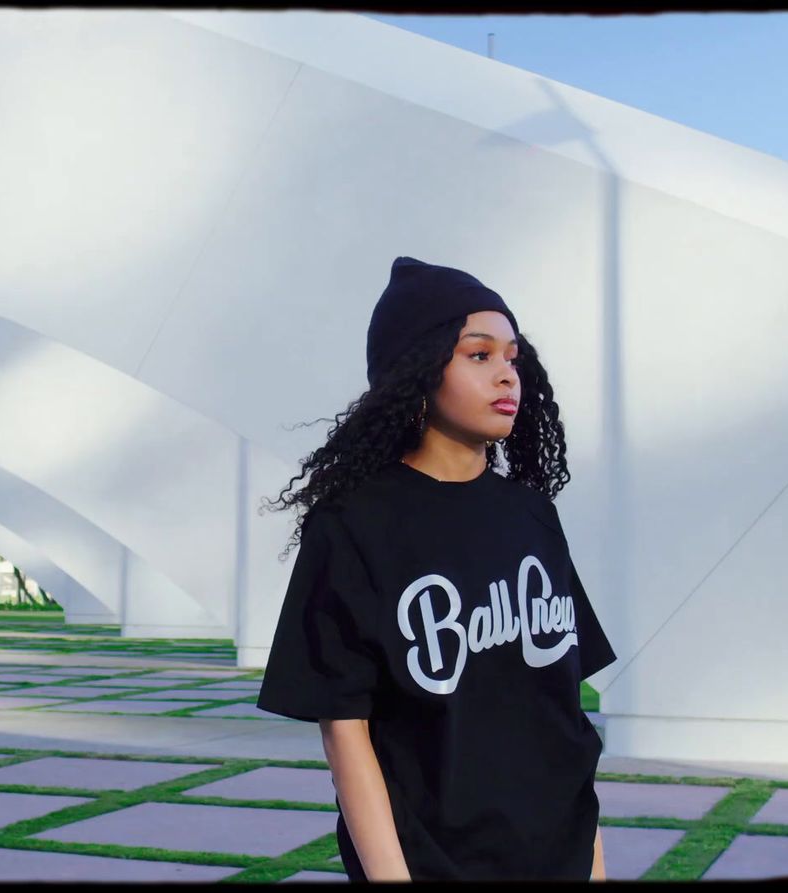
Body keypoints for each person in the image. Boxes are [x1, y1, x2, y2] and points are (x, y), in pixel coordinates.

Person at [256, 256, 616, 882]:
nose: (507, 375)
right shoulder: (353, 525)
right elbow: (345, 730)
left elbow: (563, 719)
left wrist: (595, 867)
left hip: (560, 857)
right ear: (416, 370)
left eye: (513, 357)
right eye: (479, 355)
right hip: (432, 862)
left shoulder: (531, 516)